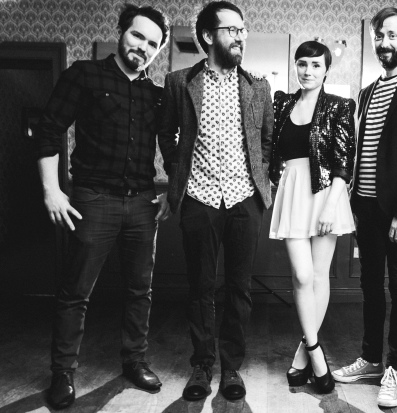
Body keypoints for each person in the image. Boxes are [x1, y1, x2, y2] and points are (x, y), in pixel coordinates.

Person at [35, 4, 171, 409]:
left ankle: (135, 361)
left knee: (140, 291)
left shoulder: (156, 95)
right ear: (121, 32)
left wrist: (173, 191)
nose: (142, 47)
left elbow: (173, 147)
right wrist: (52, 190)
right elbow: (49, 130)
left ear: (158, 50)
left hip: (143, 203)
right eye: (137, 36)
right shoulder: (83, 74)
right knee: (75, 292)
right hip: (92, 200)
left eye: (152, 44)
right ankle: (63, 373)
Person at [157, 1, 273, 401]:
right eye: (232, 30)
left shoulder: (259, 86)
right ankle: (202, 366)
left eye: (243, 30)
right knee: (200, 288)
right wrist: (178, 173)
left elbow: (266, 141)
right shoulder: (178, 82)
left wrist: (261, 180)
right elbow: (166, 133)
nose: (241, 36)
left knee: (239, 289)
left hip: (244, 201)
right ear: (208, 36)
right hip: (198, 198)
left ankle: (231, 367)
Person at [331, 7, 397, 409]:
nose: (385, 42)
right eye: (379, 36)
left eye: (392, 35)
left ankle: (394, 368)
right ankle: (371, 359)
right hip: (365, 206)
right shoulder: (366, 91)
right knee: (370, 284)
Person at [269, 40, 356, 394]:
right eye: (302, 63)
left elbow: (344, 161)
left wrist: (332, 204)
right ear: (295, 66)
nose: (308, 70)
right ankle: (316, 350)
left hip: (326, 193)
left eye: (316, 65)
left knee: (319, 275)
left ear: (326, 70)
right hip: (292, 190)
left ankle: (303, 354)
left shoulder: (339, 106)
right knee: (302, 276)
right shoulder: (281, 103)